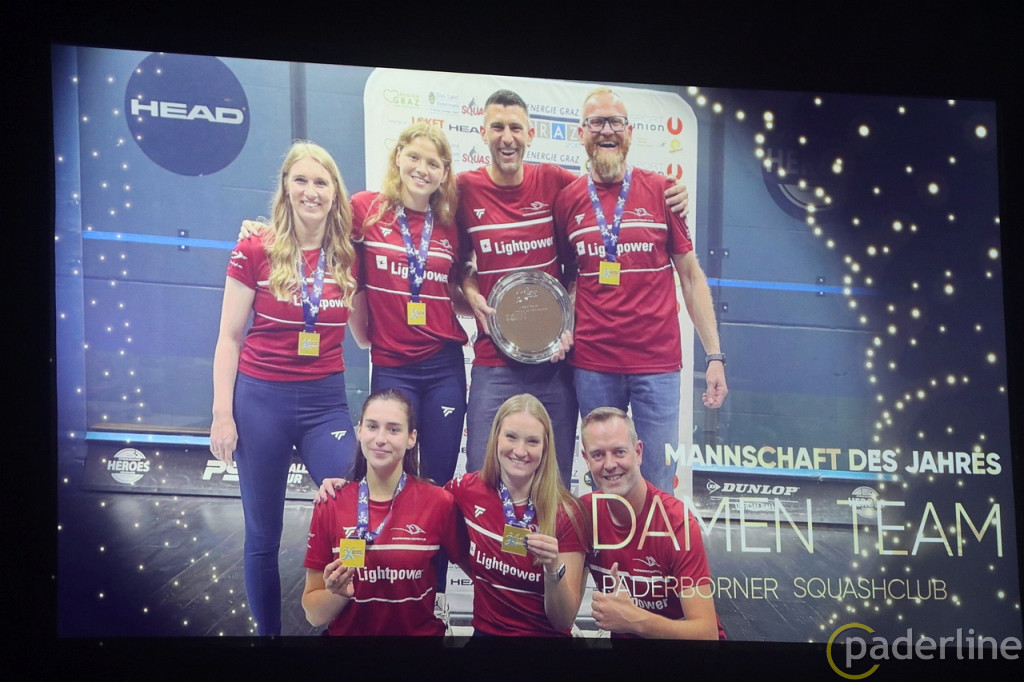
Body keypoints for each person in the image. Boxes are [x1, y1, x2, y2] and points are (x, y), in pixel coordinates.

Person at [459, 89, 691, 488]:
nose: (507, 137)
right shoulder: (463, 189)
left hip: (556, 362)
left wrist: (672, 192)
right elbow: (457, 261)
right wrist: (469, 289)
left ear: (531, 134)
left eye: (516, 127)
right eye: (497, 127)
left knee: (555, 482)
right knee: (481, 478)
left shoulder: (555, 182)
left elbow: (606, 181)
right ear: (483, 133)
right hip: (493, 357)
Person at [210, 141, 359, 636]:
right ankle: (269, 639)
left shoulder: (349, 255)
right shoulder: (255, 248)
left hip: (325, 404)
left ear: (335, 193)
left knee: (353, 512)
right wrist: (222, 415)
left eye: (321, 182)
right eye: (301, 180)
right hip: (260, 402)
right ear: (286, 188)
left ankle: (351, 626)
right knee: (263, 534)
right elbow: (229, 337)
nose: (311, 191)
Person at [553, 87, 727, 494]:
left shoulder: (664, 191)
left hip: (656, 363)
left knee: (658, 481)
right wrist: (562, 328)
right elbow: (568, 280)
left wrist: (714, 356)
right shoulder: (567, 201)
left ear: (630, 132)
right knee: (604, 480)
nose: (607, 130)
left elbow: (690, 276)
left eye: (615, 122)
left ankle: (653, 541)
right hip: (593, 363)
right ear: (581, 133)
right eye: (597, 122)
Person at [349, 122, 468, 485]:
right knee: (385, 470)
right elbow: (317, 231)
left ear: (444, 173)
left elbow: (453, 290)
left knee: (438, 476)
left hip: (443, 365)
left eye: (433, 163)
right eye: (414, 157)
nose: (422, 169)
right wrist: (263, 230)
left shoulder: (449, 224)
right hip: (392, 364)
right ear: (398, 156)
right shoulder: (365, 209)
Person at [302, 389, 467, 636]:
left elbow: (481, 574)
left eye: (393, 429)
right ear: (359, 430)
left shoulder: (439, 502)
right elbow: (314, 616)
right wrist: (338, 593)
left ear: (411, 438)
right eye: (372, 426)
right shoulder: (331, 502)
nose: (380, 438)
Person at [444, 393, 587, 636]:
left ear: (545, 448)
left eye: (532, 441)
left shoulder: (567, 513)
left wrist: (553, 568)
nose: (520, 451)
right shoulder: (465, 490)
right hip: (485, 635)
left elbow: (563, 620)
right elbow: (445, 534)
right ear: (496, 438)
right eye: (511, 437)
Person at [579, 407, 724, 639]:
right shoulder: (583, 514)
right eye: (598, 455)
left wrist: (635, 620)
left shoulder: (676, 521)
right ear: (586, 459)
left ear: (638, 453)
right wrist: (552, 570)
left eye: (619, 452)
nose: (609, 464)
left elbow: (707, 634)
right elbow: (562, 614)